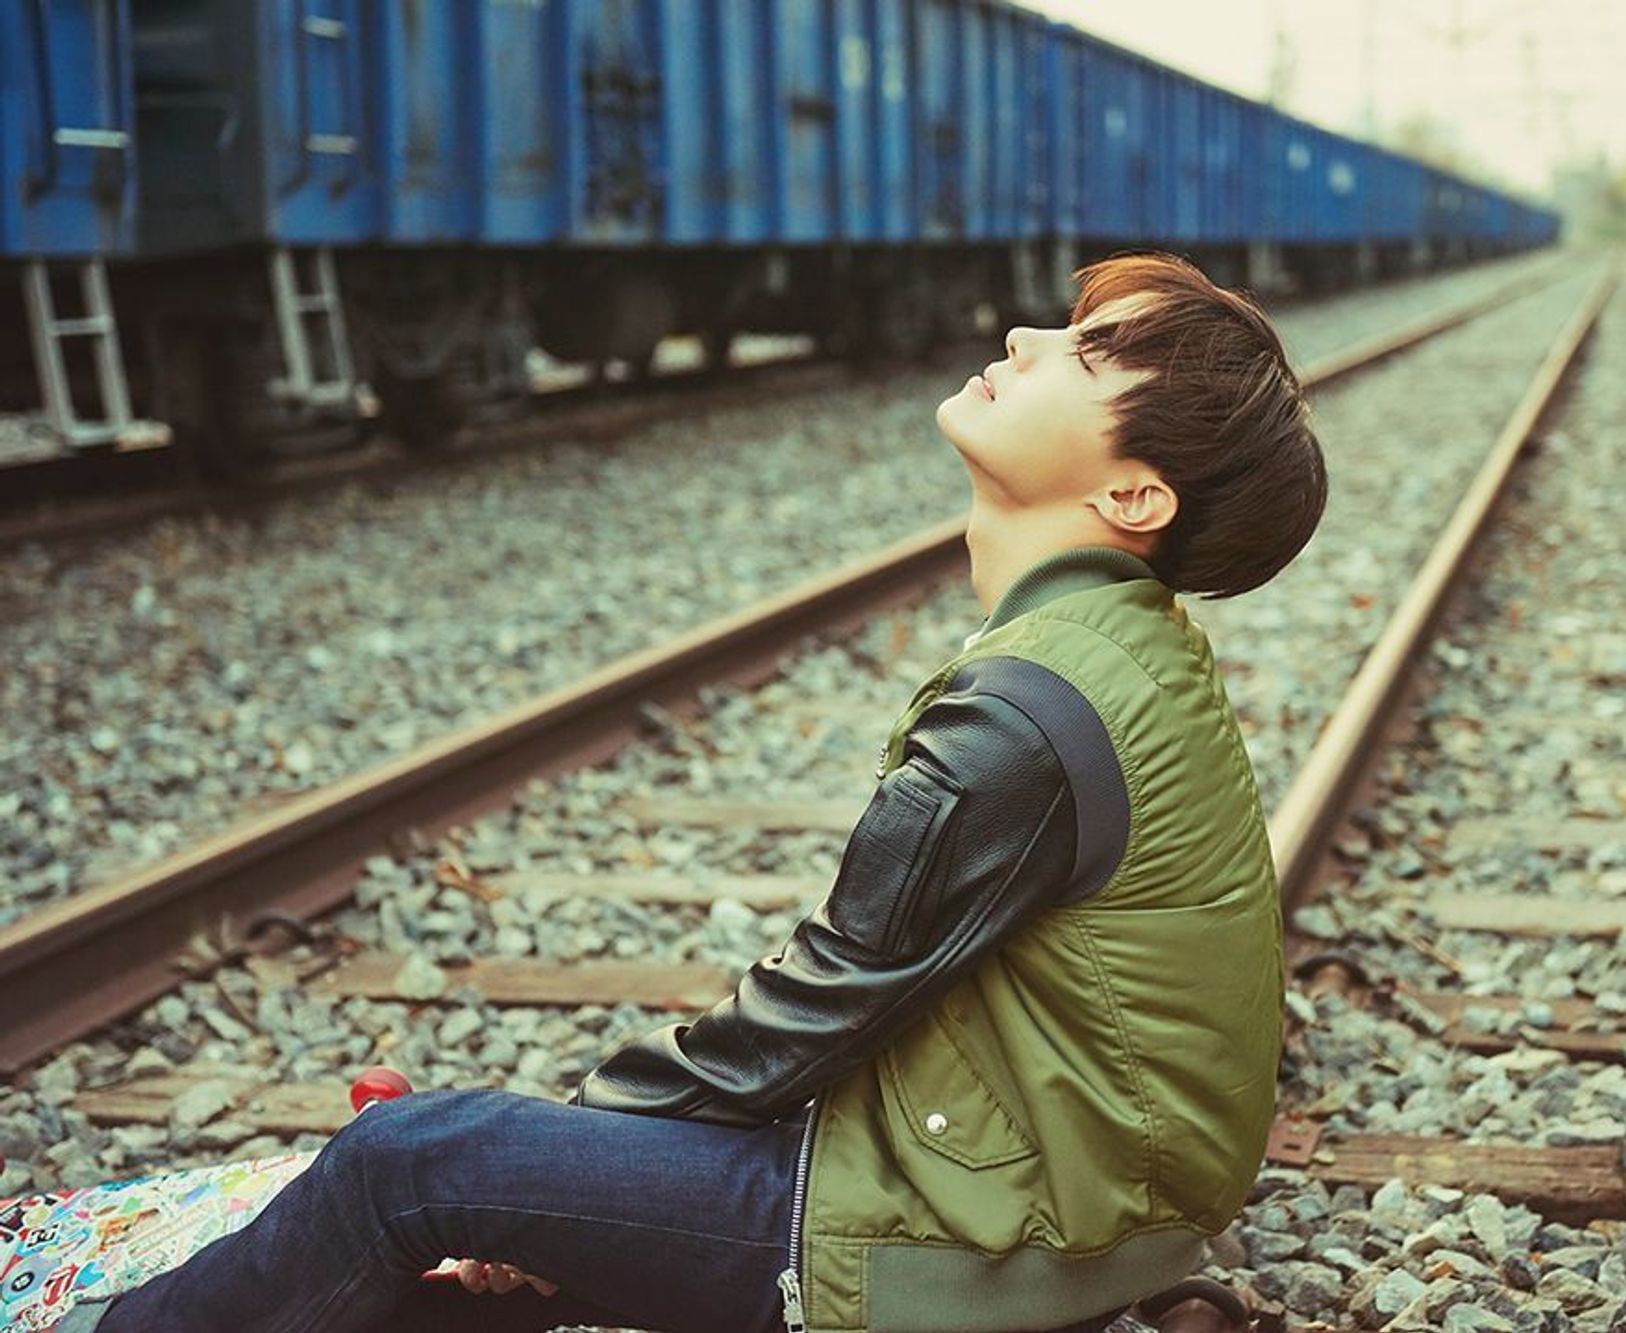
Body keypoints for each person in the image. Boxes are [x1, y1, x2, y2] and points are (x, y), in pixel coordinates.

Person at [55, 249, 1326, 1333]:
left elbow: (827, 992)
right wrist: (578, 1176)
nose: (1022, 333)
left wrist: (569, 1145)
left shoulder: (1027, 710)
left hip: (993, 1230)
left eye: (1086, 353)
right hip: (1056, 1191)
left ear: (1130, 495)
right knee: (445, 1248)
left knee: (407, 1162)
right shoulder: (1113, 652)